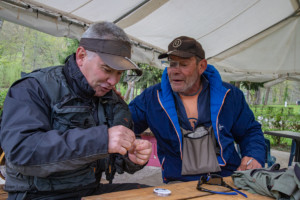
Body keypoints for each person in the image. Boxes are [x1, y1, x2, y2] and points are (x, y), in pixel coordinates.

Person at [0, 21, 152, 199]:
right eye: (107, 69)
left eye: (119, 73)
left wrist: (131, 158)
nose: (113, 81)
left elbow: (117, 161)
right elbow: (21, 152)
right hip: (37, 195)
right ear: (81, 56)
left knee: (157, 195)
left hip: (89, 191)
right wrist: (100, 140)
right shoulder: (33, 88)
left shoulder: (112, 101)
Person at [129, 36, 266, 183]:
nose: (175, 71)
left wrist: (254, 155)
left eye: (183, 64)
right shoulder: (152, 98)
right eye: (172, 64)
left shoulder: (229, 95)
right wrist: (114, 106)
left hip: (227, 178)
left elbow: (249, 131)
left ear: (201, 66)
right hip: (179, 182)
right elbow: (124, 124)